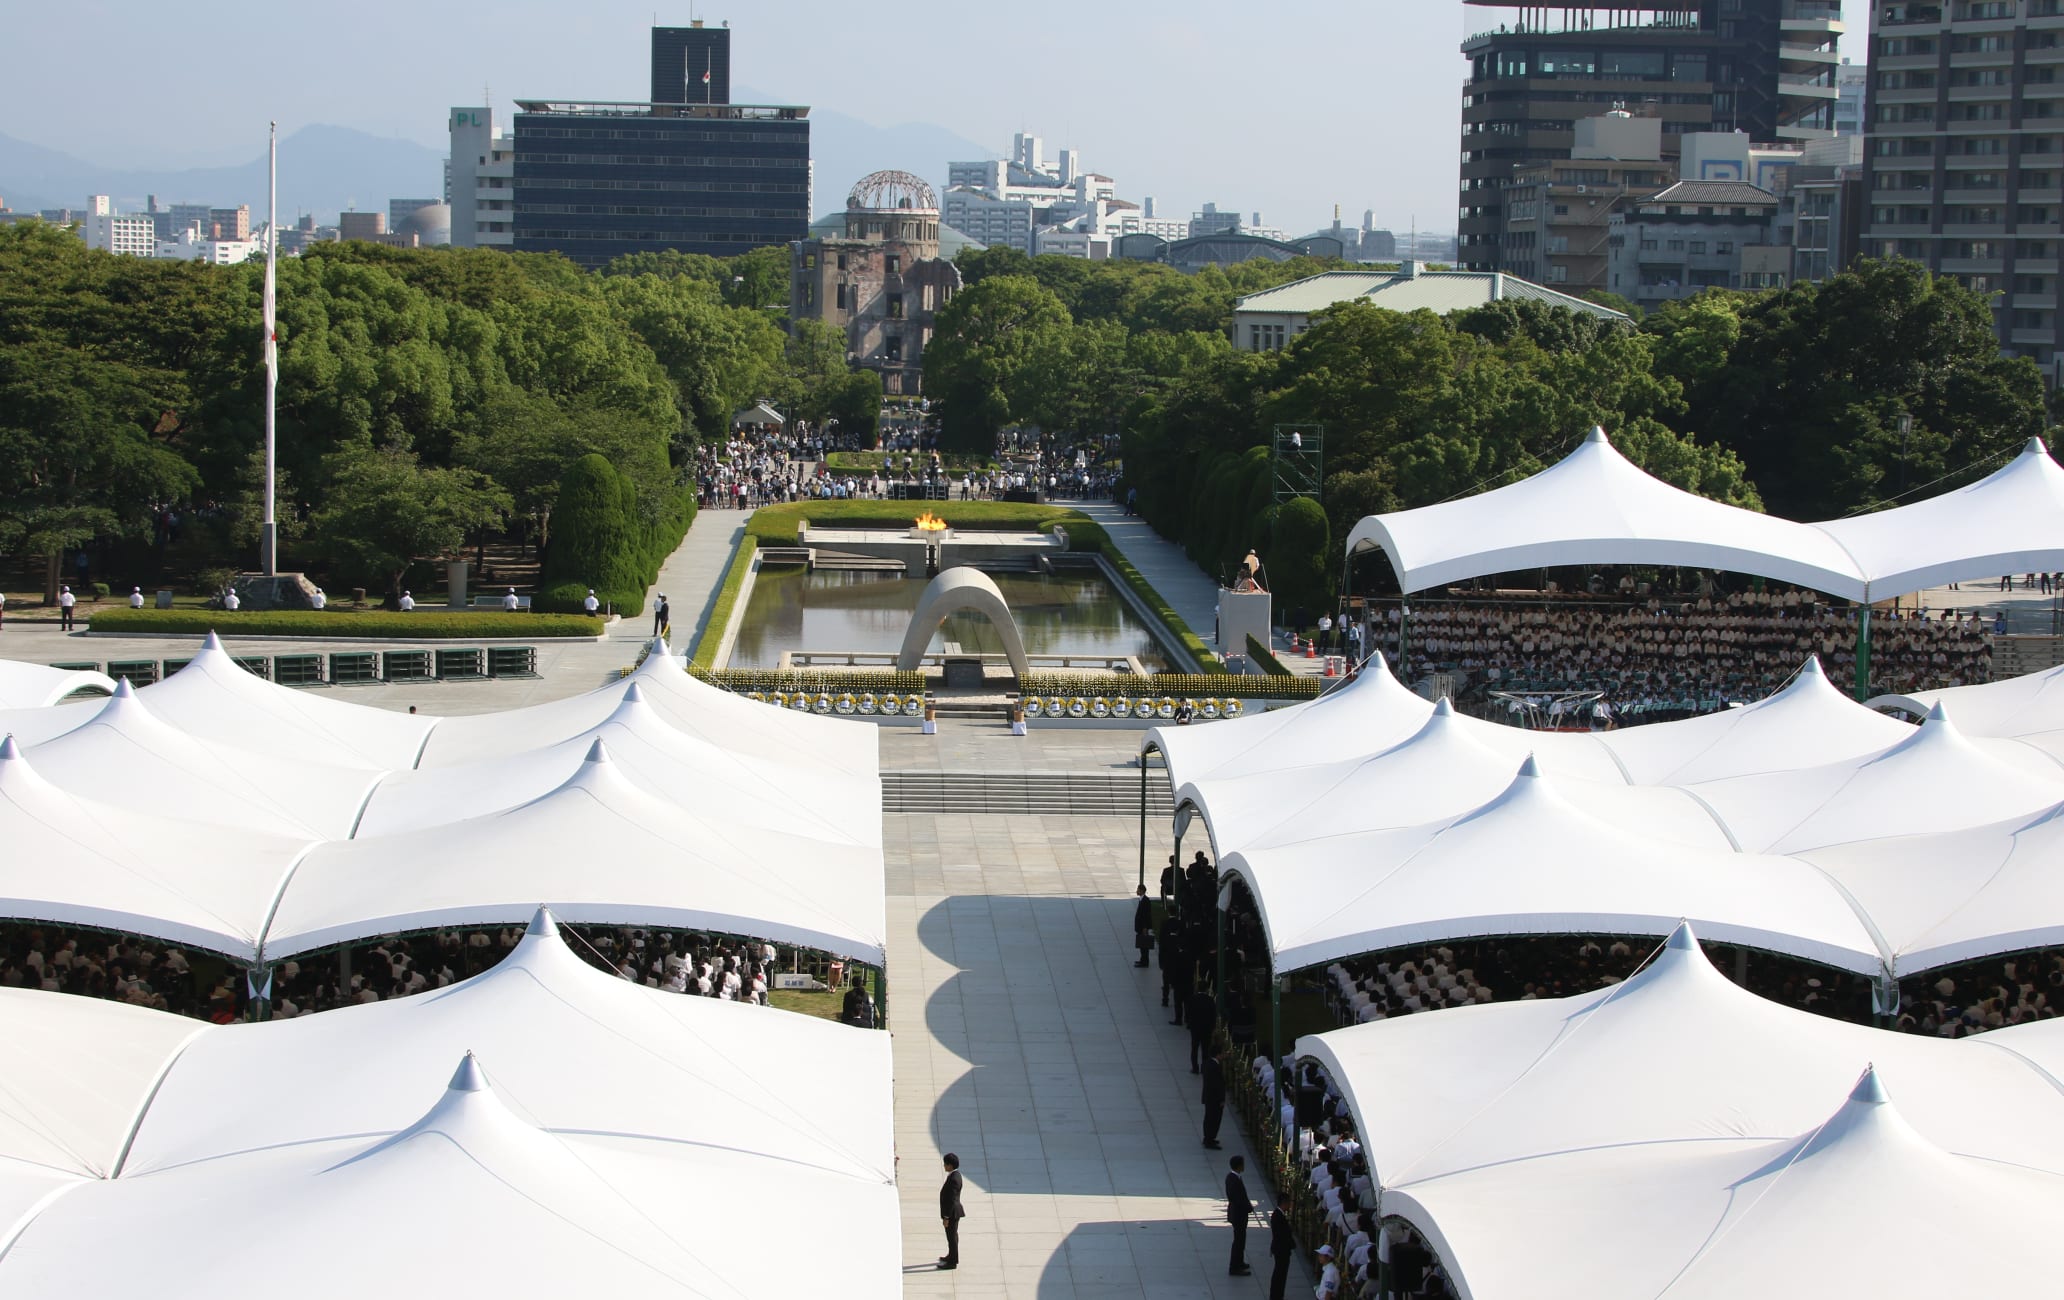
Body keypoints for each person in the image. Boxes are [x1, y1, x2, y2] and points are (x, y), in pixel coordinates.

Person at [1225, 1155, 1253, 1276]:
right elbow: (1236, 1198)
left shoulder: (1235, 1178)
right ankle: (1234, 1266)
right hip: (1238, 1215)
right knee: (1238, 1241)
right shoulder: (1233, 1179)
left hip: (1240, 1214)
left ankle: (1239, 1261)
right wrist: (1247, 1207)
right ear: (1239, 1166)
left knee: (1241, 1239)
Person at [938, 1153, 965, 1270]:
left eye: (945, 1164)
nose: (944, 1166)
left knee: (952, 1237)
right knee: (952, 1236)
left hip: (952, 1213)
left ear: (950, 1165)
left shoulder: (954, 1179)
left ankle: (952, 1262)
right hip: (953, 1212)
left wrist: (946, 1217)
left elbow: (951, 1200)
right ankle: (951, 1256)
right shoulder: (955, 1175)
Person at [1268, 1190, 1295, 1300]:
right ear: (1284, 1203)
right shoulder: (1278, 1216)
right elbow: (1282, 1235)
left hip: (1280, 1249)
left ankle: (1277, 1295)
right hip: (1281, 1250)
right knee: (1280, 1274)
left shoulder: (1278, 1215)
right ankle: (1276, 1295)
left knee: (1280, 1274)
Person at [1188, 980, 1219, 1073]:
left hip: (1195, 1028)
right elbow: (1213, 1015)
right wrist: (1212, 1027)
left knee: (1194, 1048)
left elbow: (1189, 1013)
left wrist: (1191, 1024)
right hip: (1207, 1028)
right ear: (1206, 989)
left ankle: (1195, 1067)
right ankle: (1204, 1067)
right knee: (1205, 1049)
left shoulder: (1193, 999)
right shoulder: (1210, 1000)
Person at [1202, 1047, 1226, 1149]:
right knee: (1214, 1119)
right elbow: (1217, 1085)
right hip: (1214, 1098)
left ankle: (1208, 1137)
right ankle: (1210, 1139)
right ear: (1218, 1055)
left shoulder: (1208, 1064)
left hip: (1209, 1097)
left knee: (1209, 1118)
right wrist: (1221, 1099)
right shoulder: (1215, 1067)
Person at [1133, 885, 1153, 968]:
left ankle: (1145, 962)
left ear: (1142, 891)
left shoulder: (1146, 901)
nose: (1137, 891)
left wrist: (1145, 927)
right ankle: (1142, 960)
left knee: (1144, 945)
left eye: (1138, 889)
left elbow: (1146, 915)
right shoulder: (1141, 900)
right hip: (1140, 926)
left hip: (1143, 927)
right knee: (1142, 944)